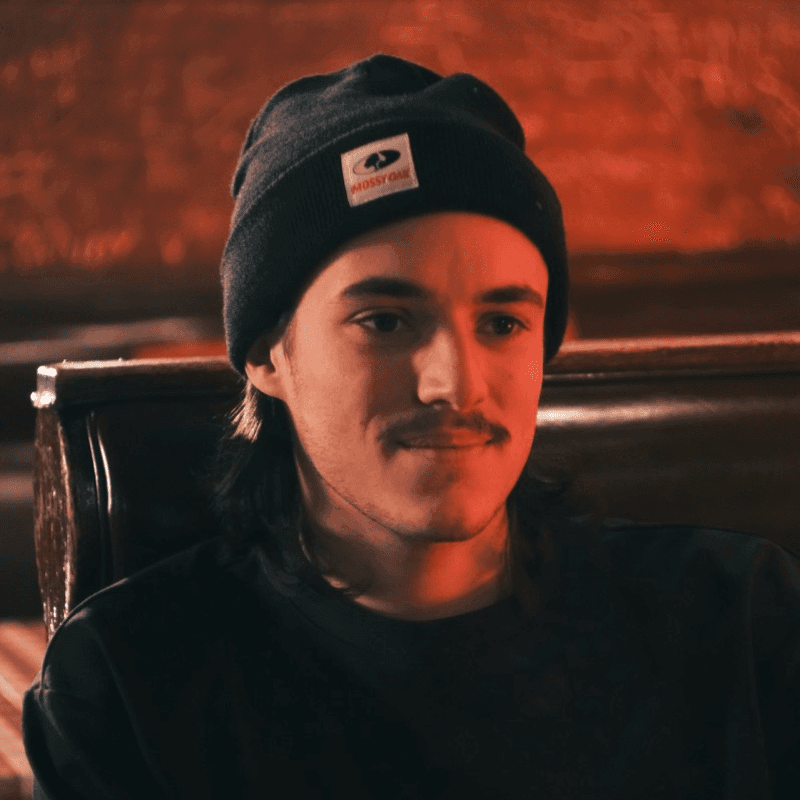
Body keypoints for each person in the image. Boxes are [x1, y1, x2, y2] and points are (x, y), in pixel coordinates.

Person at [22, 53, 799, 799]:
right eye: (386, 321)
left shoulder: (735, 622)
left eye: (501, 323)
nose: (455, 383)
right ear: (266, 354)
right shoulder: (129, 685)